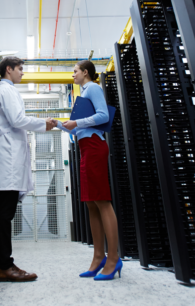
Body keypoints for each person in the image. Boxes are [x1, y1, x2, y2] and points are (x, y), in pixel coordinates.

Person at [53, 60, 122, 280]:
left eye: (74, 71)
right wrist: (58, 124)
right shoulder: (82, 95)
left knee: (102, 201)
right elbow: (78, 130)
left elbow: (103, 116)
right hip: (85, 148)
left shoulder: (93, 88)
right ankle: (98, 257)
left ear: (85, 72)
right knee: (91, 204)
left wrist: (78, 122)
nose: (72, 75)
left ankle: (113, 259)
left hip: (95, 147)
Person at [0, 56, 55, 282]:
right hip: (7, 157)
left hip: (9, 156)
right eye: (20, 69)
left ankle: (0, 264)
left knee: (2, 210)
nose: (22, 73)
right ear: (8, 69)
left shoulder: (6, 91)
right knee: (3, 212)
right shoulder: (6, 91)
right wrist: (42, 124)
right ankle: (3, 265)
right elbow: (17, 119)